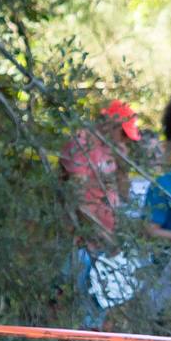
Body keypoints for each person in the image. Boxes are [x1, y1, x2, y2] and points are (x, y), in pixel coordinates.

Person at [59, 99, 139, 329]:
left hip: (104, 244)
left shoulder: (111, 150)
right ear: (109, 122)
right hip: (82, 242)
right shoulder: (81, 143)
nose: (123, 140)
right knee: (77, 310)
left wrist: (124, 167)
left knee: (98, 314)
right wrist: (105, 237)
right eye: (122, 133)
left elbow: (123, 196)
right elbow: (77, 198)